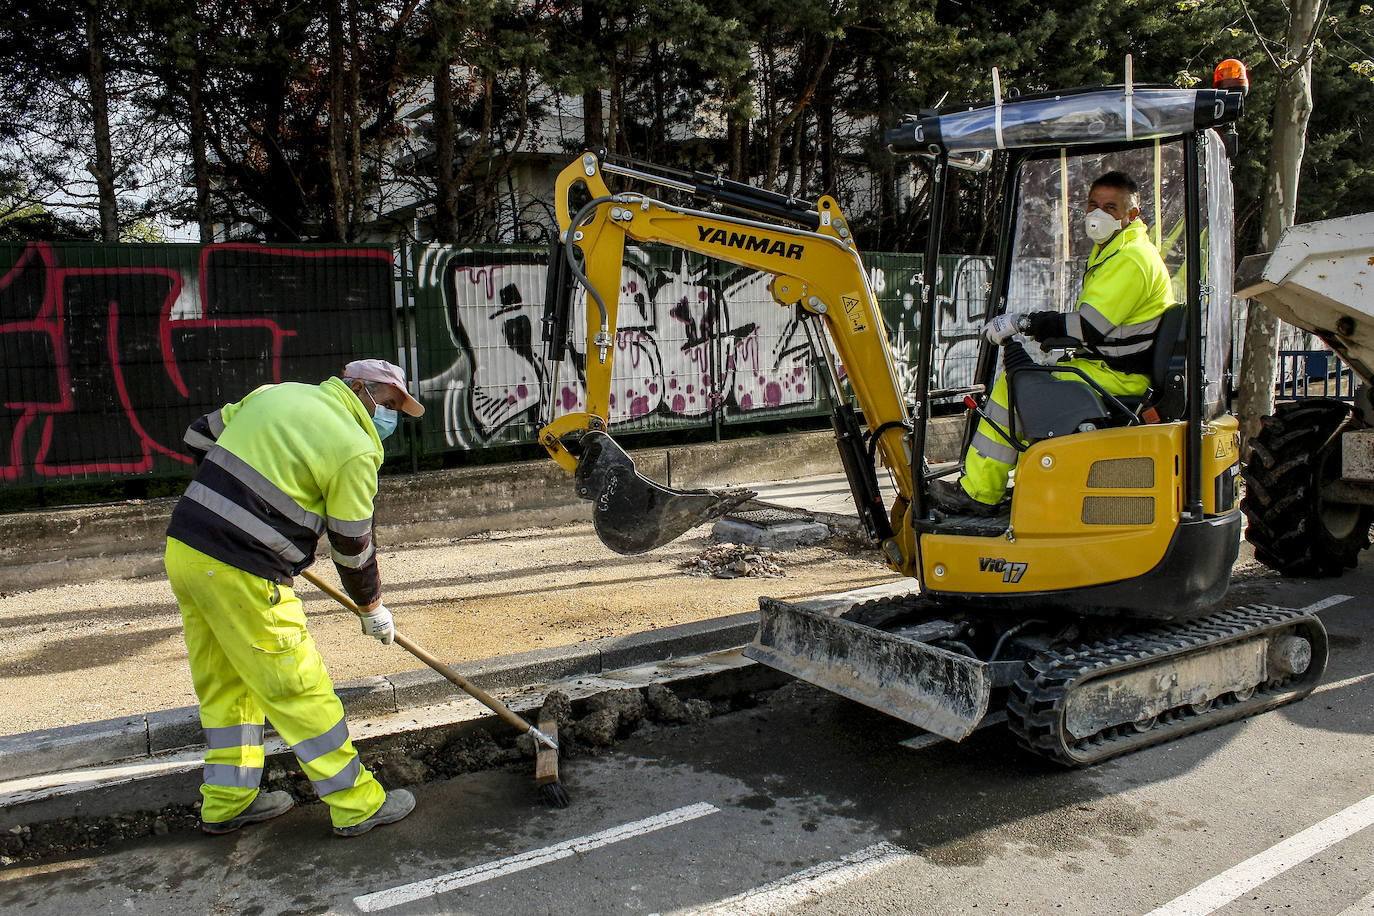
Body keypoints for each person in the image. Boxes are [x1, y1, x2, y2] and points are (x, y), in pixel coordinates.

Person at [164, 358, 424, 837]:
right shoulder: (355, 449)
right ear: (360, 390)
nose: (389, 418)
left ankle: (226, 802)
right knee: (299, 687)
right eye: (387, 404)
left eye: (396, 409)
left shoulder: (276, 394)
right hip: (242, 568)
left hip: (186, 549)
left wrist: (231, 502)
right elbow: (351, 545)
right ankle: (357, 803)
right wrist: (371, 607)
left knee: (227, 683)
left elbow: (199, 436)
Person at [931, 170, 1175, 517]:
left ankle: (980, 492)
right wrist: (1046, 333)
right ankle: (1015, 480)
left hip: (1119, 378)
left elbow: (1087, 326)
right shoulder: (1116, 251)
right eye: (1093, 204)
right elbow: (1100, 327)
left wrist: (1025, 322)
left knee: (1014, 387)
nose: (1098, 214)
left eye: (1111, 207)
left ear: (1132, 215)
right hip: (1109, 368)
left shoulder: (1131, 259)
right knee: (1030, 379)